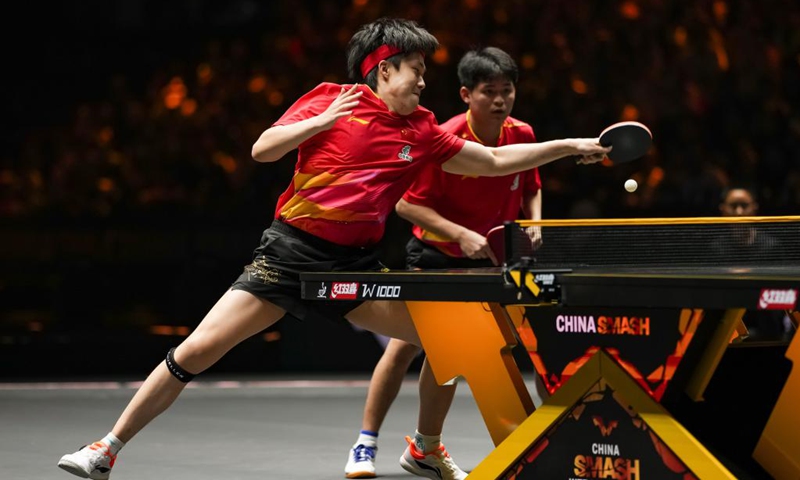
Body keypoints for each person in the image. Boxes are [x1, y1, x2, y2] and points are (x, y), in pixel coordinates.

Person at [57, 18, 609, 480]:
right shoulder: (329, 99)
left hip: (353, 266)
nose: (423, 84)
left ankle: (423, 447)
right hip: (289, 254)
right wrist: (320, 122)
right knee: (197, 351)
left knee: (449, 339)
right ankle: (106, 448)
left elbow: (490, 162)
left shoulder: (420, 129)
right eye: (417, 71)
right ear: (384, 68)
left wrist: (569, 146)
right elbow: (261, 150)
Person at [344, 46, 544, 478]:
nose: (499, 100)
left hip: (489, 260)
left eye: (507, 91)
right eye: (489, 91)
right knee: (403, 350)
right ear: (465, 94)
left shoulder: (522, 135)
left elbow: (530, 185)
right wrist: (460, 234)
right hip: (437, 256)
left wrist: (536, 223)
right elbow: (406, 206)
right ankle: (366, 442)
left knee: (448, 355)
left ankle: (425, 447)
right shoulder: (446, 139)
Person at [711, 185, 792, 340]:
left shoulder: (771, 246)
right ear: (723, 210)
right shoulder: (716, 249)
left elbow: (782, 293)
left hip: (768, 328)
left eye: (744, 205)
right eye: (733, 206)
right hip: (727, 331)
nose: (739, 212)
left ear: (754, 208)